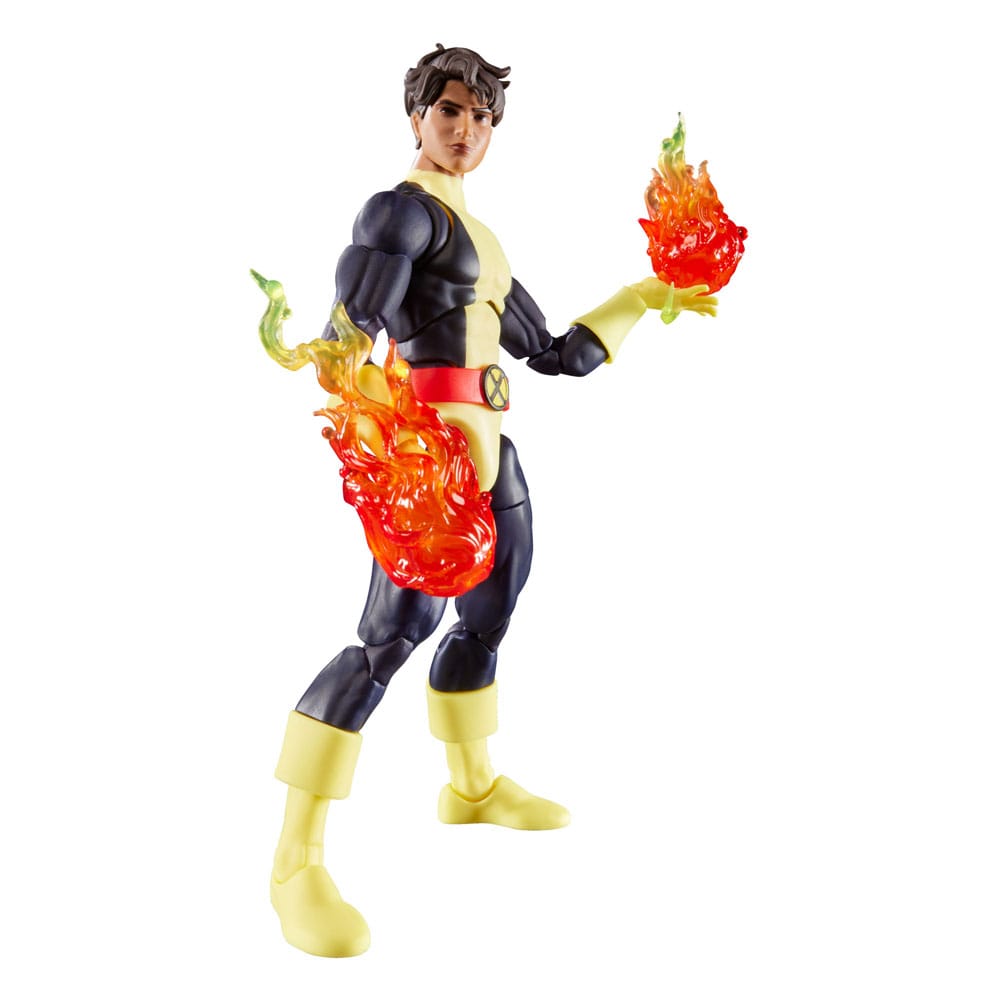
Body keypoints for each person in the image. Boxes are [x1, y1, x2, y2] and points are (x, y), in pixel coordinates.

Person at [269, 44, 715, 957]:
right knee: (389, 638)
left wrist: (643, 295)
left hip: (491, 455)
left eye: (481, 116)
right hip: (430, 461)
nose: (465, 130)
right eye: (449, 111)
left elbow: (555, 354)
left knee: (489, 616)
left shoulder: (481, 241)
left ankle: (470, 787)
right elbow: (344, 341)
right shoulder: (399, 214)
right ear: (417, 116)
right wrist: (388, 448)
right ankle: (294, 863)